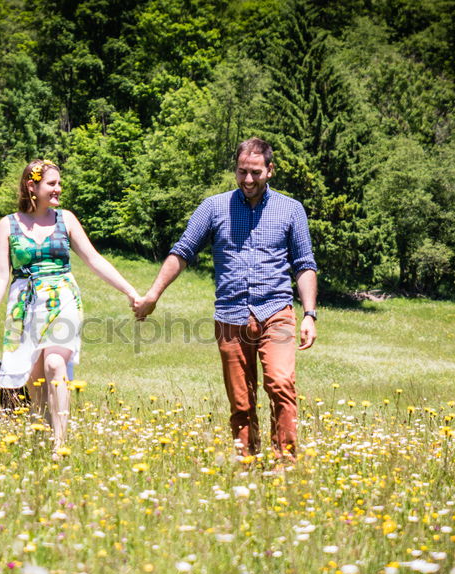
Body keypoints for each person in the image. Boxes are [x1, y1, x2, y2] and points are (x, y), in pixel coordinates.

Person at [133, 138, 318, 465]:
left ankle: (285, 468)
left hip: (277, 311)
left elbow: (304, 264)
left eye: (256, 173)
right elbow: (183, 251)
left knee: (280, 383)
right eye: (242, 172)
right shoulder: (214, 207)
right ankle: (247, 466)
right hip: (231, 315)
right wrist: (153, 295)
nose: (248, 180)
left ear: (270, 170)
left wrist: (309, 314)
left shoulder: (291, 209)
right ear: (235, 170)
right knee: (242, 402)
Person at [0, 159, 140, 445]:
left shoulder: (65, 219)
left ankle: (59, 444)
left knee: (55, 364)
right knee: (34, 378)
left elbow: (94, 259)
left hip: (62, 298)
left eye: (59, 184)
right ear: (32, 186)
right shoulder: (8, 225)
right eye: (51, 184)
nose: (58, 189)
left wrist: (130, 291)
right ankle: (39, 438)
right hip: (24, 304)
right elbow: (0, 274)